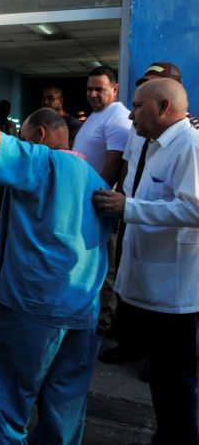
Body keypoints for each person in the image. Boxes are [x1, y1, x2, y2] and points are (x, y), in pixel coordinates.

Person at [0, 44, 115, 444]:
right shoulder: (94, 179)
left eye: (24, 137)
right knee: (64, 402)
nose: (19, 143)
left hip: (35, 308)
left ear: (40, 136)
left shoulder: (42, 163)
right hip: (82, 309)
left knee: (7, 393)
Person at [93, 77, 199, 445]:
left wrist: (130, 207)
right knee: (162, 375)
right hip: (150, 285)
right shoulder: (151, 143)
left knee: (177, 380)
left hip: (176, 294)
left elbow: (194, 209)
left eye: (138, 106)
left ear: (164, 108)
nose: (132, 113)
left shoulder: (189, 146)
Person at [72, 65, 131, 333]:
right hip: (88, 203)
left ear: (115, 89)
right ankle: (94, 317)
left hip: (100, 204)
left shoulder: (117, 118)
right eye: (90, 89)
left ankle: (105, 323)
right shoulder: (97, 116)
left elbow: (113, 164)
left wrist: (94, 200)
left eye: (100, 89)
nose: (93, 94)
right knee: (91, 264)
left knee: (104, 267)